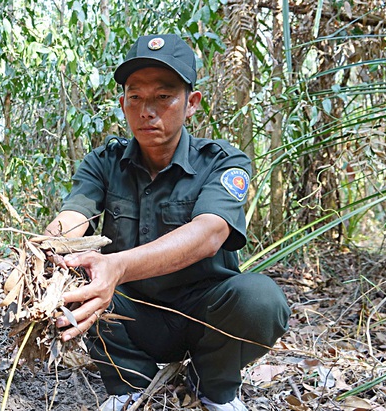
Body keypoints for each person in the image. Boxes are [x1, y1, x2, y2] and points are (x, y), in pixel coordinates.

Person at [43, 34, 291, 411]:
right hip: (128, 312)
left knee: (261, 300)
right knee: (71, 277)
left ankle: (214, 387)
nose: (147, 110)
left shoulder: (222, 162)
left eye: (163, 96)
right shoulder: (104, 163)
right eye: (135, 96)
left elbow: (209, 233)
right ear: (123, 102)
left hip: (203, 314)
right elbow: (73, 218)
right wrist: (42, 253)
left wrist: (119, 265)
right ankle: (128, 384)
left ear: (191, 104)